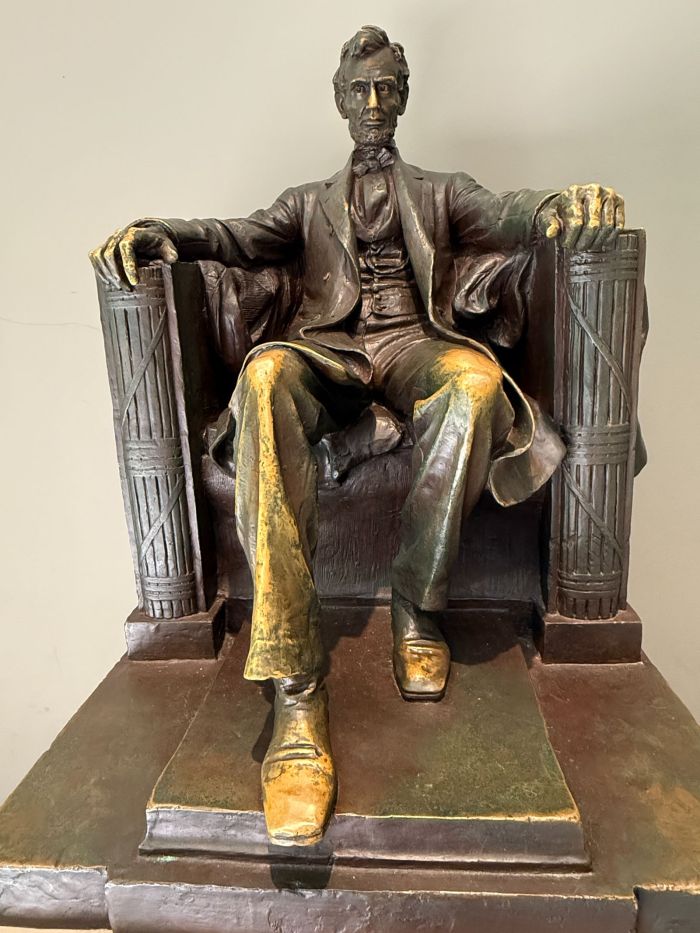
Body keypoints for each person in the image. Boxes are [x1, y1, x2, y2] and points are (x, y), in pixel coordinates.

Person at [90, 25, 624, 848]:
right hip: (333, 353)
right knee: (263, 376)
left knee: (476, 384)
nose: (374, 103)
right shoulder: (308, 202)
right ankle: (296, 688)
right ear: (339, 101)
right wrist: (167, 232)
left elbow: (508, 213)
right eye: (360, 90)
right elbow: (234, 236)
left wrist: (557, 206)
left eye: (387, 88)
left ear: (402, 98)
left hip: (415, 345)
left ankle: (417, 602)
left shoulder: (439, 190)